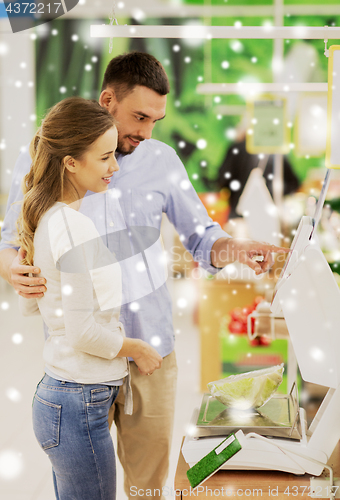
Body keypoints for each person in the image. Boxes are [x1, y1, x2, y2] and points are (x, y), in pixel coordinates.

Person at [0, 52, 288, 500]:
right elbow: (10, 242)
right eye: (139, 116)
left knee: (148, 489)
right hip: (81, 362)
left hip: (150, 351)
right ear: (107, 99)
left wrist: (238, 248)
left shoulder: (162, 160)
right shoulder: (47, 156)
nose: (146, 131)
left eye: (156, 119)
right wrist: (16, 271)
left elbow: (201, 236)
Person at [14, 97, 162, 500]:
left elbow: (34, 304)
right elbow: (81, 332)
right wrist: (137, 349)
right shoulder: (72, 226)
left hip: (67, 399)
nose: (115, 167)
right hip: (78, 401)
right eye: (105, 157)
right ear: (71, 163)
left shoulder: (49, 218)